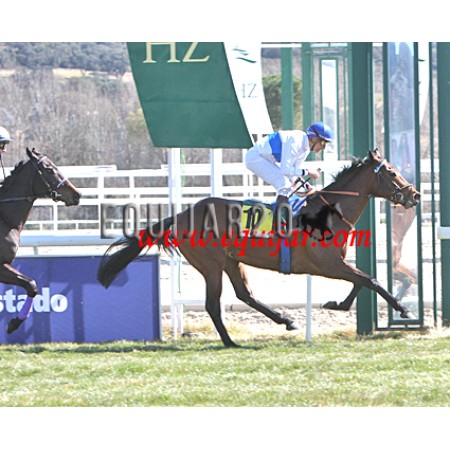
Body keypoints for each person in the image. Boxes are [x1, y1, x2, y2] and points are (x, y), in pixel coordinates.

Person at [245, 122, 333, 206]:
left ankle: (283, 212)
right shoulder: (296, 141)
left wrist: (307, 186)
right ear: (314, 139)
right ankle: (281, 215)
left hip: (266, 159)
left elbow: (293, 174)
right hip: (255, 158)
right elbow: (286, 170)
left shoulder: (305, 149)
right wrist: (308, 172)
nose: (324, 147)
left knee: (292, 187)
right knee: (284, 185)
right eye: (323, 143)